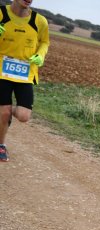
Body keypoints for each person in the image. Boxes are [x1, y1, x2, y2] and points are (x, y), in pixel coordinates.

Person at [0, 0, 49, 162]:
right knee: (4, 112)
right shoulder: (1, 14)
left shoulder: (39, 21)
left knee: (23, 116)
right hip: (1, 72)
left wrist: (41, 56)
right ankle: (1, 145)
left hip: (25, 74)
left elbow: (44, 42)